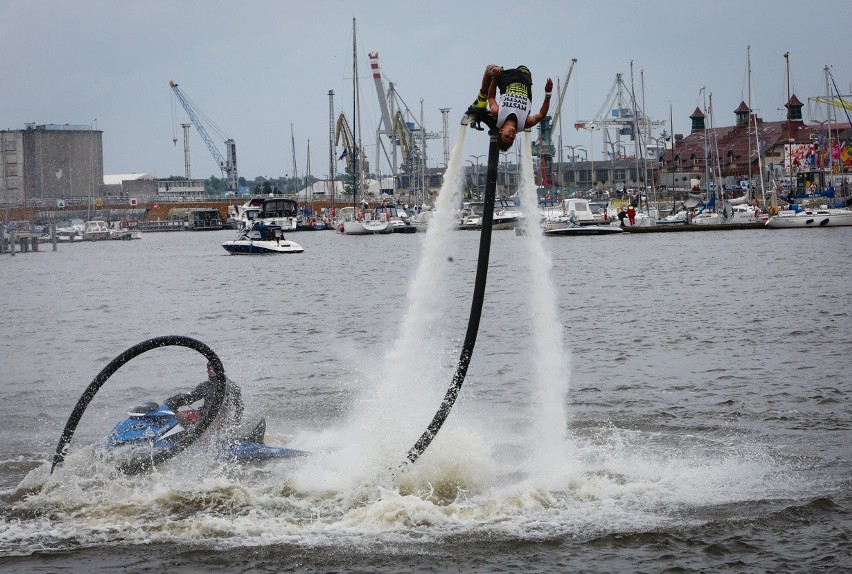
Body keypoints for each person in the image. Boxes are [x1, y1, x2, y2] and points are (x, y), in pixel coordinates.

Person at [472, 64, 553, 151]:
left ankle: (481, 99)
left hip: (507, 80)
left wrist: (495, 78)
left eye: (507, 136)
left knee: (490, 68)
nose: (511, 135)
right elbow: (542, 114)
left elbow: (491, 97)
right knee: (524, 68)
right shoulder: (525, 122)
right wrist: (548, 93)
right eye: (512, 138)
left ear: (501, 131)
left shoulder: (497, 113)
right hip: (524, 77)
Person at [165, 362, 244, 430]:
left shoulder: (231, 387)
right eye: (209, 369)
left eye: (213, 369)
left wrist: (236, 423)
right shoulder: (206, 386)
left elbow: (239, 407)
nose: (210, 371)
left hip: (221, 419)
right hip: (204, 414)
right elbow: (190, 398)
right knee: (175, 417)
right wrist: (174, 402)